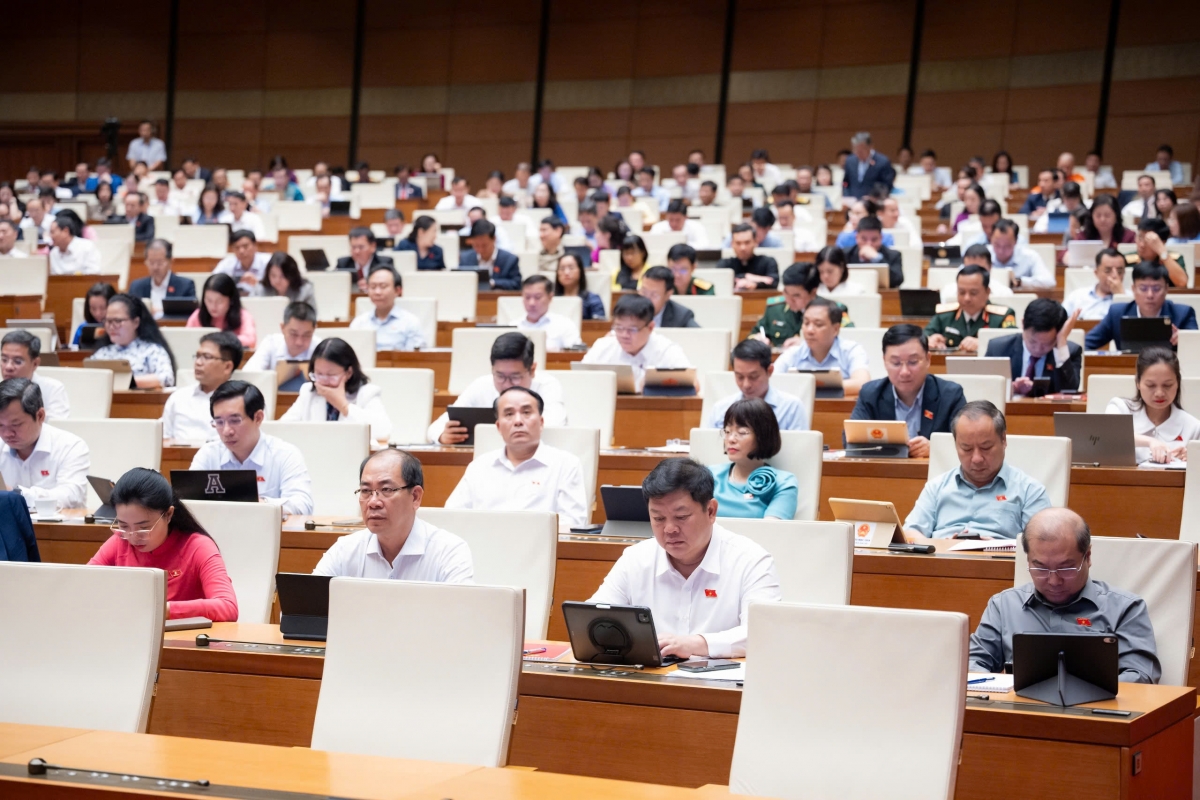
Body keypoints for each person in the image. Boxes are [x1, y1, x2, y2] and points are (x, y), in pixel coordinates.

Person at [586, 457, 781, 658]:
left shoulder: (751, 561)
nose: (669, 529)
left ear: (711, 511)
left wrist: (694, 644)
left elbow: (762, 633)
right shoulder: (636, 558)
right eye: (658, 518)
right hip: (650, 675)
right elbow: (591, 616)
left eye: (681, 517)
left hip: (723, 678)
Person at [969, 508, 1159, 684]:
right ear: (1028, 560)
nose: (1054, 581)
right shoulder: (1004, 606)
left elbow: (1141, 676)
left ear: (1088, 557)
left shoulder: (1125, 609)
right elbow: (972, 663)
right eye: (1041, 568)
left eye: (1066, 568)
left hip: (1098, 707)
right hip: (1020, 706)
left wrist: (1085, 691)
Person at [88, 468, 238, 621]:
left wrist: (161, 610)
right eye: (124, 526)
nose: (133, 537)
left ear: (168, 514)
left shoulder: (197, 547)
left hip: (184, 635)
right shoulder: (119, 541)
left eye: (143, 527)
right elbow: (83, 585)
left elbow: (227, 607)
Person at [313, 449, 472, 581]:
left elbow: (460, 609)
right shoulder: (345, 550)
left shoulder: (448, 552)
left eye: (386, 490)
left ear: (415, 497)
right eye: (366, 491)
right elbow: (311, 602)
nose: (373, 502)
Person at [904, 401, 1051, 540]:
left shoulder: (1030, 491)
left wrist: (999, 548)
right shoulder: (936, 488)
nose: (977, 459)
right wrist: (939, 547)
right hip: (943, 556)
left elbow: (1042, 544)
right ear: (956, 445)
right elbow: (910, 532)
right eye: (967, 449)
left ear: (1003, 440)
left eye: (986, 448)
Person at [445, 386, 588, 527]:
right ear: (498, 427)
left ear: (541, 423)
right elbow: (451, 516)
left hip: (540, 542)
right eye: (509, 414)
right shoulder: (479, 466)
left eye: (526, 412)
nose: (518, 421)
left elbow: (573, 523)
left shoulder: (565, 464)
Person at [190, 381, 313, 515]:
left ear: (258, 418)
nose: (226, 431)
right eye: (219, 422)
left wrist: (258, 504)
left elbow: (302, 506)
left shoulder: (285, 454)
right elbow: (187, 500)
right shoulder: (208, 454)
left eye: (235, 420)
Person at [850, 325, 966, 459]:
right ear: (885, 362)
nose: (904, 372)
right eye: (896, 363)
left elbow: (966, 443)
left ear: (928, 359)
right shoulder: (870, 394)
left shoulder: (951, 395)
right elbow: (851, 440)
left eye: (913, 362)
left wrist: (935, 448)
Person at [428, 332, 566, 443]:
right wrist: (443, 435)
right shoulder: (481, 385)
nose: (506, 384)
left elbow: (555, 429)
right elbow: (435, 428)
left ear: (532, 370)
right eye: (500, 376)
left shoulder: (548, 386)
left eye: (515, 377)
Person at [281, 337, 393, 442]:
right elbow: (282, 429)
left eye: (331, 375)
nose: (324, 382)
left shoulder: (367, 393)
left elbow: (383, 432)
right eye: (319, 374)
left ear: (349, 372)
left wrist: (343, 406)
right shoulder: (308, 392)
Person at [0, 378, 88, 509]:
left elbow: (71, 497)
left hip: (58, 522)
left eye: (16, 424)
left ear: (40, 415)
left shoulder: (71, 446)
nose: (7, 433)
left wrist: (15, 494)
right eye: (0, 425)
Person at [707, 398, 799, 520]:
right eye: (727, 431)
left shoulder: (783, 483)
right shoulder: (708, 475)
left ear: (763, 436)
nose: (731, 439)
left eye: (742, 432)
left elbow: (771, 529)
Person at [1106, 346, 1200, 464]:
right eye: (1151, 385)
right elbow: (1108, 435)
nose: (1159, 393)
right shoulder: (1120, 408)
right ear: (1138, 383)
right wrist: (1151, 442)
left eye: (1167, 385)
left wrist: (1194, 458)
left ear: (1177, 383)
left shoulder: (1193, 427)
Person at [581, 295, 691, 390]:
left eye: (632, 329)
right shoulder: (603, 346)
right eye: (619, 328)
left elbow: (693, 385)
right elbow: (580, 379)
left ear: (650, 327)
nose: (624, 335)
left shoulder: (666, 351)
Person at [1085, 260, 1197, 351]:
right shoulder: (1117, 313)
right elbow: (1086, 344)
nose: (1150, 295)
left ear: (1166, 289)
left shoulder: (1183, 314)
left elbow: (1197, 350)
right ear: (1133, 289)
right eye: (1143, 289)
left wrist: (1186, 340)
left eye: (1156, 289)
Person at [704, 339, 808, 431]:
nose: (746, 385)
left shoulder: (791, 408)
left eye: (753, 377)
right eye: (740, 377)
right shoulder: (720, 409)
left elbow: (799, 446)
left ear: (770, 371)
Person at [774, 299, 871, 397]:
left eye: (818, 324)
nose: (809, 330)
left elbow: (862, 384)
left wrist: (807, 388)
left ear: (835, 329)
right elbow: (772, 381)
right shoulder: (793, 353)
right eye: (806, 323)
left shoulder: (851, 351)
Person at [985, 299, 1082, 397]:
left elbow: (1070, 392)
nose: (1038, 349)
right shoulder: (998, 349)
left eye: (1047, 344)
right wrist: (1010, 388)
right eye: (1032, 342)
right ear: (1023, 324)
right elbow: (985, 388)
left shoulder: (1069, 352)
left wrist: (1061, 341)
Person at [750, 262, 852, 350]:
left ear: (813, 292)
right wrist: (757, 340)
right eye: (786, 293)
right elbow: (753, 335)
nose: (789, 300)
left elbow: (850, 339)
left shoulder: (833, 310)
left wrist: (806, 342)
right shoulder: (775, 309)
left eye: (796, 296)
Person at [161, 332, 241, 443]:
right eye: (197, 356)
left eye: (206, 357)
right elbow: (163, 439)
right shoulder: (178, 398)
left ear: (227, 367)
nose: (198, 362)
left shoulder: (242, 402)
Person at [925, 265, 1017, 352]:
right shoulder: (945, 315)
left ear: (987, 292)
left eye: (973, 293)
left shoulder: (1002, 316)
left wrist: (982, 343)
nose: (967, 298)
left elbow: (1013, 342)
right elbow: (923, 336)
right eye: (962, 292)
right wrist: (931, 340)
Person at [91, 294, 176, 387]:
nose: (111, 327)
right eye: (108, 321)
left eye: (117, 321)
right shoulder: (102, 353)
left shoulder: (151, 350)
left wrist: (127, 382)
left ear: (136, 322)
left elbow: (166, 378)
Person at [348, 266, 425, 351]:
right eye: (373, 287)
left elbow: (416, 356)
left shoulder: (410, 322)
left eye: (383, 286)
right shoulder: (359, 323)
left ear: (397, 290)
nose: (377, 292)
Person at [0, 331, 68, 421]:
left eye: (17, 361)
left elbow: (57, 426)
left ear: (35, 363)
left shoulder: (52, 389)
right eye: (4, 360)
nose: (8, 367)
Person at [245, 301, 318, 374]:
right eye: (294, 334)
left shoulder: (319, 348)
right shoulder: (271, 343)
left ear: (314, 329)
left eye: (306, 335)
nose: (299, 342)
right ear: (283, 328)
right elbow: (250, 373)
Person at [188, 273, 257, 348]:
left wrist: (220, 341)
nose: (213, 306)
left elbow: (250, 340)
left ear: (231, 300)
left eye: (219, 301)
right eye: (209, 300)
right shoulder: (198, 315)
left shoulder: (243, 315)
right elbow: (187, 338)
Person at [515, 275, 582, 351]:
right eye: (527, 297)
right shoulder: (513, 327)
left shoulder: (565, 325)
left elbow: (575, 353)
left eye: (537, 297)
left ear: (550, 297)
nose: (531, 303)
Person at [128, 239, 197, 314]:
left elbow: (190, 314)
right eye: (151, 262)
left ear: (170, 261)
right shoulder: (136, 287)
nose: (155, 267)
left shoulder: (185, 286)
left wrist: (160, 310)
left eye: (160, 263)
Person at [1063, 248, 1127, 321]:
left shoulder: (1132, 298)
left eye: (1119, 271)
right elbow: (1060, 321)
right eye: (1108, 271)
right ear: (1096, 272)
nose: (1114, 276)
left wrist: (1121, 296)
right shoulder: (1077, 296)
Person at [842, 216, 903, 289]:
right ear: (857, 237)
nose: (869, 244)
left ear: (881, 238)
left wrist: (877, 258)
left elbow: (897, 280)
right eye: (864, 239)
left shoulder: (893, 255)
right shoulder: (844, 254)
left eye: (874, 239)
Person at [1129, 217, 1189, 288]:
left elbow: (1182, 284)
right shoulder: (1126, 259)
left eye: (1148, 240)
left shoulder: (1174, 259)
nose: (1142, 245)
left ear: (1162, 242)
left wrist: (1162, 252)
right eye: (1140, 237)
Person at [718, 223, 779, 290]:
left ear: (755, 242)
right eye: (738, 243)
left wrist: (755, 285)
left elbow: (773, 282)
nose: (742, 248)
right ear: (732, 244)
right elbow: (720, 281)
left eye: (747, 242)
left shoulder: (768, 262)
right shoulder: (725, 264)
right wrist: (747, 276)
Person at [335, 227, 394, 292]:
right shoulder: (343, 264)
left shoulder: (384, 263)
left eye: (361, 247)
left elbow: (393, 284)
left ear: (373, 246)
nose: (356, 251)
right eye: (353, 247)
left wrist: (372, 284)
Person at [214, 230, 270, 296]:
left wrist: (258, 283)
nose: (241, 251)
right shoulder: (227, 264)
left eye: (245, 246)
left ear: (255, 246)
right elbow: (213, 282)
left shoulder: (268, 262)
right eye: (236, 248)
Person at [842, 132, 896, 198]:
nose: (858, 153)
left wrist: (873, 198)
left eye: (861, 151)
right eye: (855, 150)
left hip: (873, 201)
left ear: (870, 147)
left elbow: (887, 186)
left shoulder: (882, 162)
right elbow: (845, 183)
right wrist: (846, 196)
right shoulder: (850, 160)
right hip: (852, 200)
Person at [554, 253, 605, 320]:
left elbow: (599, 324)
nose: (566, 272)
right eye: (562, 269)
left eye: (571, 268)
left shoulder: (592, 299)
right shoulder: (551, 300)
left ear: (580, 271)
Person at [73, 282, 116, 346]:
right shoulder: (82, 328)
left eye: (103, 308)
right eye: (93, 308)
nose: (98, 313)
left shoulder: (121, 327)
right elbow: (74, 349)